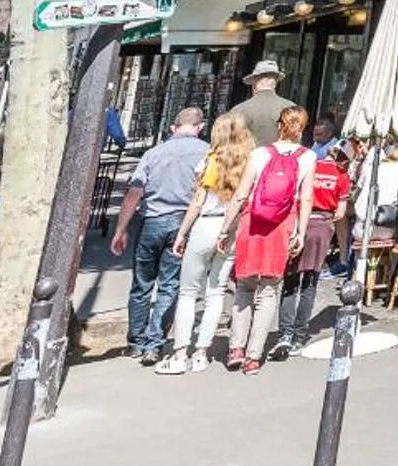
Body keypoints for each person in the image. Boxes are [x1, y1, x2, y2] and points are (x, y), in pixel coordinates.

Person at [108, 106, 209, 364]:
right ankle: (154, 343)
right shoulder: (207, 153)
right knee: (169, 285)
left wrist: (121, 229)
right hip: (182, 223)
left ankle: (136, 341)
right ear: (200, 127)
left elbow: (135, 192)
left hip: (151, 220)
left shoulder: (154, 153)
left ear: (173, 128)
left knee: (141, 284)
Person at [158, 112, 254, 374]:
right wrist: (227, 229)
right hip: (230, 228)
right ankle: (202, 353)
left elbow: (197, 202)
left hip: (206, 224)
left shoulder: (209, 161)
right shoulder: (249, 164)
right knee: (216, 291)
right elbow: (243, 199)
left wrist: (182, 233)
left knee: (189, 292)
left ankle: (180, 353)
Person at [223, 106, 316, 373]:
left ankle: (236, 348)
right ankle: (254, 356)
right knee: (268, 291)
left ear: (279, 126)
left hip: (252, 222)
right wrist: (301, 231)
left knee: (244, 287)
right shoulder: (307, 157)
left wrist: (225, 228)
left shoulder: (260, 153)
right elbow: (306, 198)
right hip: (282, 225)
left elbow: (242, 193)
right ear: (302, 128)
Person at [278, 137, 351, 355]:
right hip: (322, 227)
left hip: (299, 223)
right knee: (309, 282)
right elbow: (340, 213)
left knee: (290, 280)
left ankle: (284, 334)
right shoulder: (341, 175)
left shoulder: (310, 166)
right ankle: (300, 335)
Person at [227, 60, 294, 149]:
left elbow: (230, 143)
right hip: (283, 161)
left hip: (248, 160)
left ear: (254, 82)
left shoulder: (239, 110)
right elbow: (296, 142)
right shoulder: (292, 108)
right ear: (276, 82)